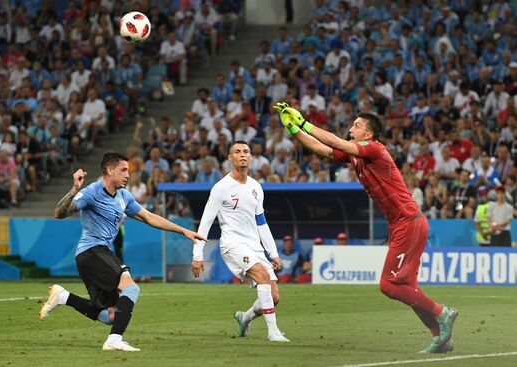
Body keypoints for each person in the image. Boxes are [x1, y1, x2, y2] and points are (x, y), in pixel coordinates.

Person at [275, 102, 457, 353]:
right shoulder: (356, 154)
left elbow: (336, 142)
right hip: (402, 225)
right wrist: (294, 129)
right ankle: (440, 337)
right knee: (407, 288)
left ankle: (442, 312)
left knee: (388, 285)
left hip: (409, 222)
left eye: (357, 126)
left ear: (368, 134)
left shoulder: (374, 149)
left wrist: (304, 122)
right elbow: (322, 149)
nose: (351, 128)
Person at [39, 152, 206, 351]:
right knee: (132, 288)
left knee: (110, 316)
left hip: (95, 256)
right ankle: (114, 340)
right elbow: (59, 213)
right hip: (92, 252)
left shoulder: (124, 196)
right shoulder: (92, 191)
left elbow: (149, 217)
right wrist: (75, 189)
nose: (128, 174)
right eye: (124, 170)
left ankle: (63, 297)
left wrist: (184, 231)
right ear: (110, 170)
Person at [191, 140, 290, 343]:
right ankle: (273, 331)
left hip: (255, 246)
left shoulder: (256, 187)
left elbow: (261, 223)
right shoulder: (221, 188)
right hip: (232, 244)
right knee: (262, 276)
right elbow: (206, 222)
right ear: (230, 158)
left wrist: (273, 253)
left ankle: (244, 318)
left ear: (251, 157)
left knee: (274, 296)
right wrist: (197, 254)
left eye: (246, 151)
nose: (242, 155)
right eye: (237, 152)